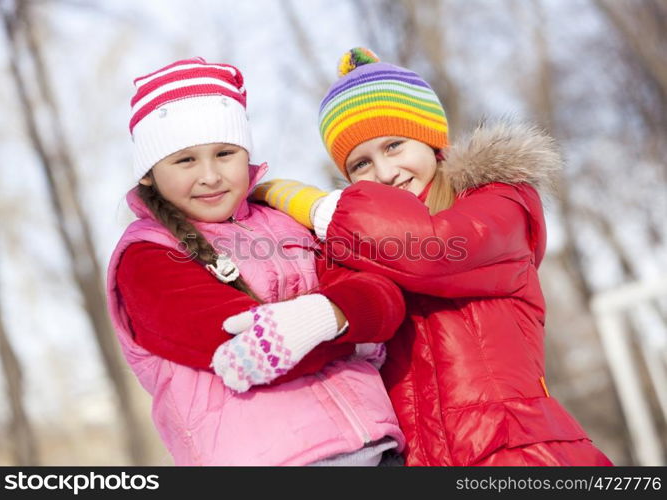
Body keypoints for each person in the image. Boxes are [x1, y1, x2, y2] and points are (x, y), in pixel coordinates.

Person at [253, 47, 614, 466]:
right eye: (361, 165)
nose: (385, 173)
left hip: (518, 455)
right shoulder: (361, 247)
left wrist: (319, 209)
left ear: (431, 139)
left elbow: (432, 251)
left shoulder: (500, 201)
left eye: (394, 146)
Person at [105, 56, 406, 466]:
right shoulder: (146, 257)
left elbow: (384, 295)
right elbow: (242, 345)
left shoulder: (287, 221)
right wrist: (345, 320)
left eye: (224, 153)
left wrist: (325, 319)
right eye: (185, 160)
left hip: (379, 447)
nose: (210, 176)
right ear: (148, 174)